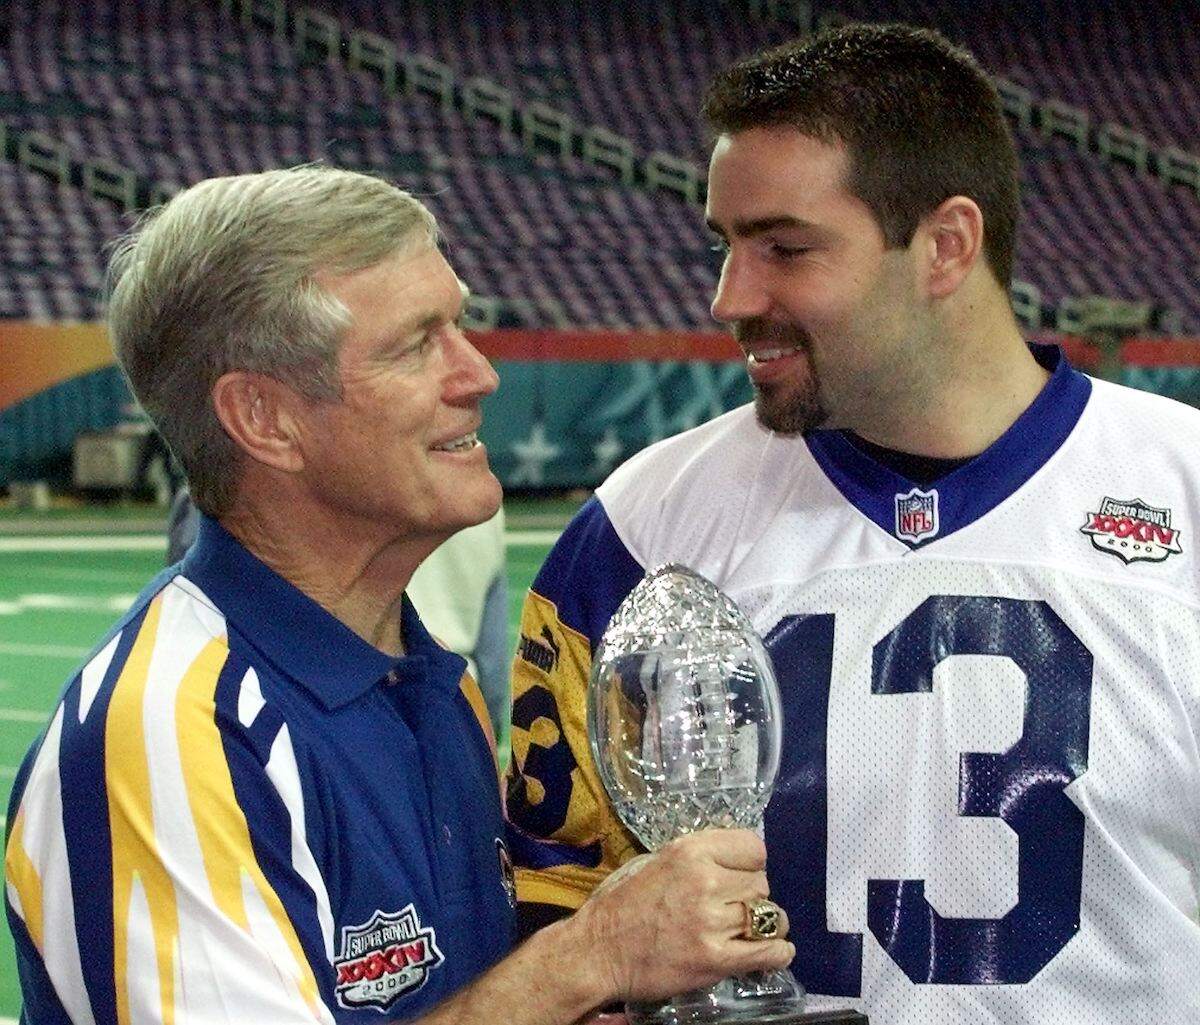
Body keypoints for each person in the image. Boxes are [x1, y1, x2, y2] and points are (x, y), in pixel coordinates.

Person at [507, 23, 1200, 1023]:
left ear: (946, 246)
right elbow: (554, 910)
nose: (728, 297)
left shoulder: (1180, 489)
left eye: (785, 247)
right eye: (727, 244)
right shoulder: (641, 526)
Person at [3, 167, 795, 1025]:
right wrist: (586, 956)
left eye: (462, 324)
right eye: (417, 343)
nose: (478, 374)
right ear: (264, 419)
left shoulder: (433, 683)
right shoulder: (169, 727)